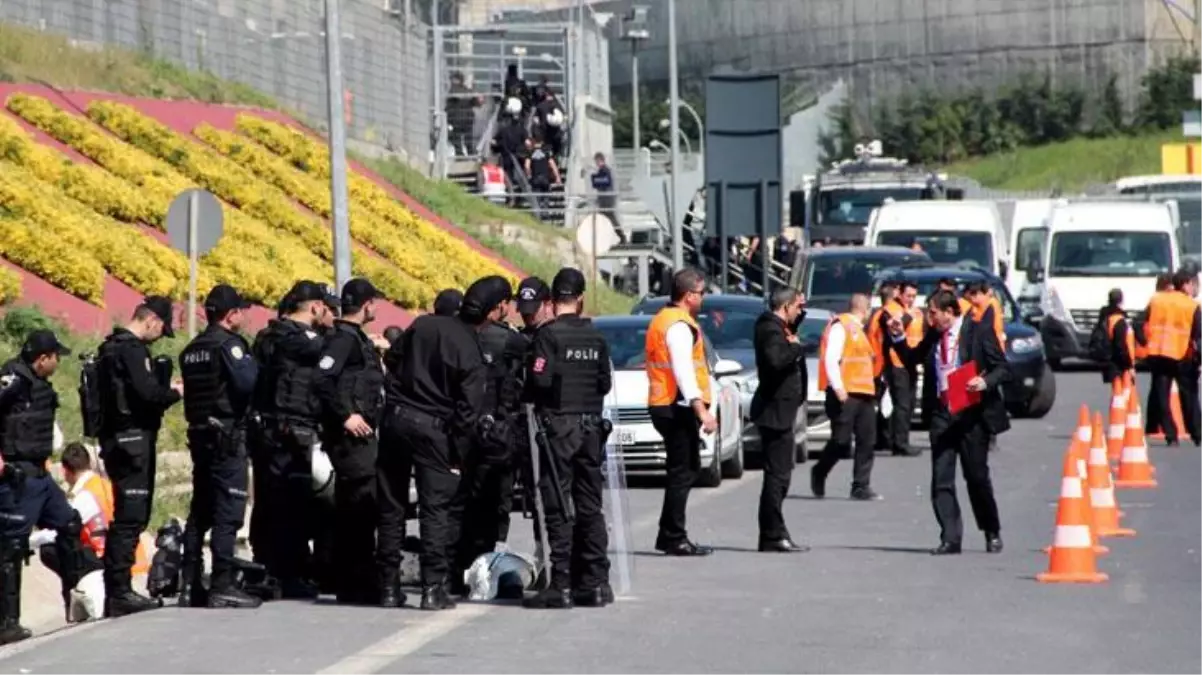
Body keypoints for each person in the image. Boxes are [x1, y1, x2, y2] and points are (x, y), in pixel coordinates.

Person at [382, 280, 490, 610]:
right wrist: (458, 453)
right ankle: (432, 588)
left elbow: (392, 359)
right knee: (435, 510)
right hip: (434, 430)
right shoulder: (467, 344)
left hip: (396, 420)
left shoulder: (420, 326)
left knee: (391, 505)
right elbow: (469, 410)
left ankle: (387, 585)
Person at [888, 289, 1009, 554]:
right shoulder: (934, 335)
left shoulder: (978, 331)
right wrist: (897, 336)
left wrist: (984, 382)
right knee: (941, 477)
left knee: (976, 476)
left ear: (949, 312)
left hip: (970, 411)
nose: (929, 319)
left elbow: (1003, 367)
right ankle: (950, 537)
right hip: (942, 412)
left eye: (933, 313)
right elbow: (912, 359)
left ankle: (992, 530)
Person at [523, 268, 613, 608]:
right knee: (591, 504)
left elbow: (540, 383)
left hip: (559, 428)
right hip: (591, 428)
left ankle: (560, 583)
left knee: (558, 503)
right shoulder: (596, 336)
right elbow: (604, 383)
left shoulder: (548, 336)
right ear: (580, 299)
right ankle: (596, 583)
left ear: (551, 301)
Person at [0, 331, 95, 643]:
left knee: (69, 524)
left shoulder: (37, 383)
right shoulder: (12, 378)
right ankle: (6, 623)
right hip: (16, 476)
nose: (58, 362)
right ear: (43, 358)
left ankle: (78, 596)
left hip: (40, 475)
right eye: (56, 357)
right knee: (11, 546)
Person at [98, 296, 182, 617]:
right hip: (132, 442)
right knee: (131, 517)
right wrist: (175, 392)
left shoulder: (109, 347)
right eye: (161, 330)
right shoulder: (131, 350)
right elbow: (148, 395)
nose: (160, 336)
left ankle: (117, 590)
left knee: (126, 515)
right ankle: (119, 592)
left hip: (116, 440)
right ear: (152, 321)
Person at [178, 284, 261, 609]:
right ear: (231, 315)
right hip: (226, 438)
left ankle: (190, 582)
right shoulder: (230, 346)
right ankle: (222, 584)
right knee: (229, 510)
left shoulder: (191, 349)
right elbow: (247, 384)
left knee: (201, 509)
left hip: (200, 437)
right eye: (240, 310)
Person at [249, 281, 329, 599]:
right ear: (313, 307)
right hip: (291, 430)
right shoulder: (302, 341)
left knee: (269, 502)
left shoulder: (268, 335)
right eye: (324, 306)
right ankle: (287, 572)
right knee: (292, 504)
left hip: (265, 430)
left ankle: (267, 566)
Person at [314, 278, 389, 605]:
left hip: (360, 438)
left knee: (358, 507)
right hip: (351, 440)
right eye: (375, 302)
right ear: (366, 304)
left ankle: (353, 580)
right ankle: (354, 581)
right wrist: (346, 415)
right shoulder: (343, 340)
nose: (377, 308)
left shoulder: (354, 339)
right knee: (359, 506)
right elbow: (322, 378)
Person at [453, 278, 525, 589]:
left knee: (463, 503)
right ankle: (488, 566)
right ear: (499, 306)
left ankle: (460, 569)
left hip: (463, 430)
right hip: (497, 434)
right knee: (496, 503)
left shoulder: (456, 333)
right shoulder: (508, 339)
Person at [645, 268, 716, 557]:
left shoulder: (666, 319)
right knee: (682, 470)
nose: (704, 298)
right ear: (689, 296)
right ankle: (673, 536)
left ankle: (670, 532)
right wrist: (702, 411)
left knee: (686, 468)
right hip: (675, 406)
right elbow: (683, 371)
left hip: (667, 403)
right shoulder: (678, 326)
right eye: (701, 293)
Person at [749, 288, 808, 553]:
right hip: (774, 412)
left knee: (781, 474)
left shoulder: (779, 326)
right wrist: (795, 348)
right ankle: (772, 534)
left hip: (782, 411)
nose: (800, 312)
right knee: (777, 476)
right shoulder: (770, 329)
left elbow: (792, 325)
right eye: (797, 307)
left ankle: (774, 531)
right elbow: (776, 361)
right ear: (786, 307)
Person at [811, 294, 881, 501]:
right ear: (865, 309)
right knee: (841, 442)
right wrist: (838, 387)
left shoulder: (860, 330)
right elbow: (831, 358)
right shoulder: (841, 326)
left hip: (865, 393)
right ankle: (820, 471)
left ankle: (861, 485)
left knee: (867, 440)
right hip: (846, 393)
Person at [1142, 270, 1202, 446]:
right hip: (1183, 356)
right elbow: (1199, 335)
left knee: (1162, 396)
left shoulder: (1157, 300)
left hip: (1159, 354)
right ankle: (1197, 434)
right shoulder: (1191, 306)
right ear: (1185, 284)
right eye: (1193, 284)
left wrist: (1146, 342)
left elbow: (1139, 323)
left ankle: (1171, 435)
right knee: (1189, 397)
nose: (1195, 288)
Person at [879, 280, 922, 457]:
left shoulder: (916, 311)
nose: (911, 299)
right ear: (899, 294)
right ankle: (899, 443)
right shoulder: (892, 309)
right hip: (896, 362)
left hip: (911, 362)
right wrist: (909, 315)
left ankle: (900, 439)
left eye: (914, 296)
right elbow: (894, 328)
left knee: (910, 404)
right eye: (908, 296)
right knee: (902, 404)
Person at [1096, 288, 1135, 386]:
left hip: (1109, 361)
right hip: (1120, 365)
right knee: (1121, 394)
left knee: (1118, 394)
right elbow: (1120, 345)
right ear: (1121, 300)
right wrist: (1129, 365)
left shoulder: (1104, 318)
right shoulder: (1119, 320)